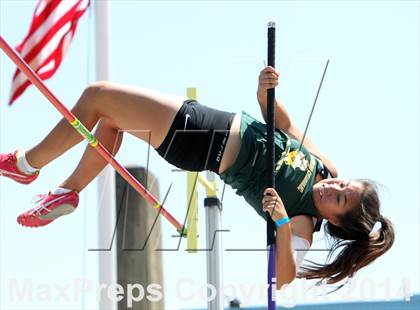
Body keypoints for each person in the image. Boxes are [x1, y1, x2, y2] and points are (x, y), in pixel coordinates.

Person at [0, 66, 394, 288]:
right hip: (212, 122)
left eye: (339, 199)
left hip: (205, 141)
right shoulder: (328, 168)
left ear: (338, 221)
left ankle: (26, 164)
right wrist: (265, 95)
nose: (333, 187)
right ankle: (68, 192)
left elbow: (283, 278)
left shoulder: (303, 220)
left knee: (96, 96)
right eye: (344, 185)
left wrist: (281, 223)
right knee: (108, 120)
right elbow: (286, 128)